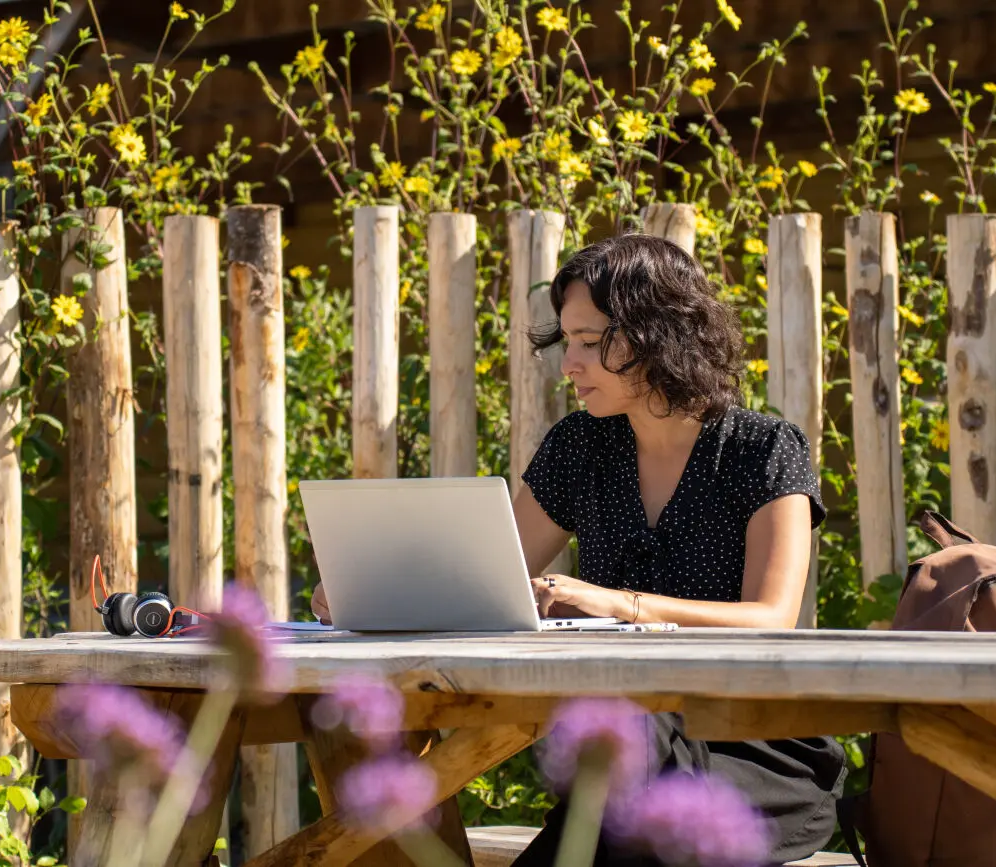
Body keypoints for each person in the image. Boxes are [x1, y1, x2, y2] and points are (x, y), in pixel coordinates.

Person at [310, 232, 848, 865]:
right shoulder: (579, 448)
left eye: (591, 344)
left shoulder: (763, 450)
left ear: (660, 336)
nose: (570, 365)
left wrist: (619, 605)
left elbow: (771, 619)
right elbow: (487, 581)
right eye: (568, 343)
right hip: (628, 755)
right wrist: (371, 589)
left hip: (752, 754)